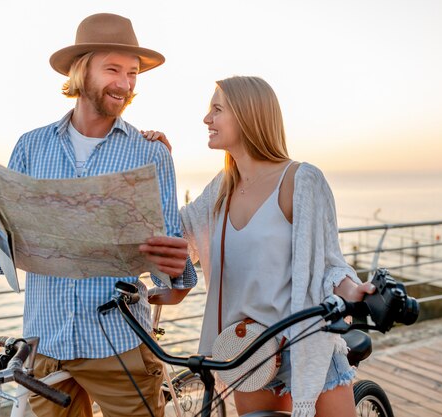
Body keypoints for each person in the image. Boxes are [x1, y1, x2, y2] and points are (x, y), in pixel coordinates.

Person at [0, 13, 196, 417]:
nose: (125, 84)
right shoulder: (31, 147)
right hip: (45, 344)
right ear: (81, 71)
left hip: (120, 346)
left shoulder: (150, 153)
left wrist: (174, 266)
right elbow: (6, 249)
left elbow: (169, 268)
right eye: (113, 70)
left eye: (134, 73)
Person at [146, 76, 375, 417]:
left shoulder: (300, 181)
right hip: (245, 352)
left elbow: (329, 264)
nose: (206, 119)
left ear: (247, 116)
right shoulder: (220, 189)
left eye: (217, 110)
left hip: (300, 344)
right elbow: (173, 239)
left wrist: (354, 290)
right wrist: (157, 165)